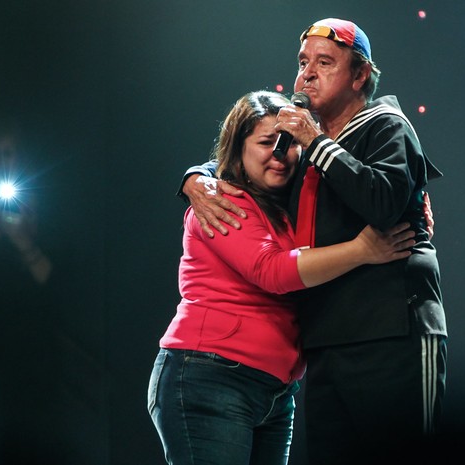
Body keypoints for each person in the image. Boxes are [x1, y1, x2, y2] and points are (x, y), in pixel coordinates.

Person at [180, 18, 447, 465]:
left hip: (391, 334)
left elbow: (381, 204)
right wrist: (195, 177)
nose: (307, 74)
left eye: (325, 63)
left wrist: (317, 142)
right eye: (304, 63)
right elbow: (254, 160)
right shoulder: (308, 149)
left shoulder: (385, 126)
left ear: (360, 75)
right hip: (326, 341)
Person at [148, 90, 416, 465]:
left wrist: (412, 208)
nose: (279, 153)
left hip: (276, 389)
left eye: (288, 143)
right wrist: (363, 250)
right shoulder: (222, 200)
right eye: (264, 142)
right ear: (237, 147)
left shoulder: (293, 205)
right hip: (209, 374)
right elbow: (271, 271)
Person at [0, 115, 58, 464]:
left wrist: (24, 244)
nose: (3, 162)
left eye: (9, 153)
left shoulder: (37, 205)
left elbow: (58, 286)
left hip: (30, 360)